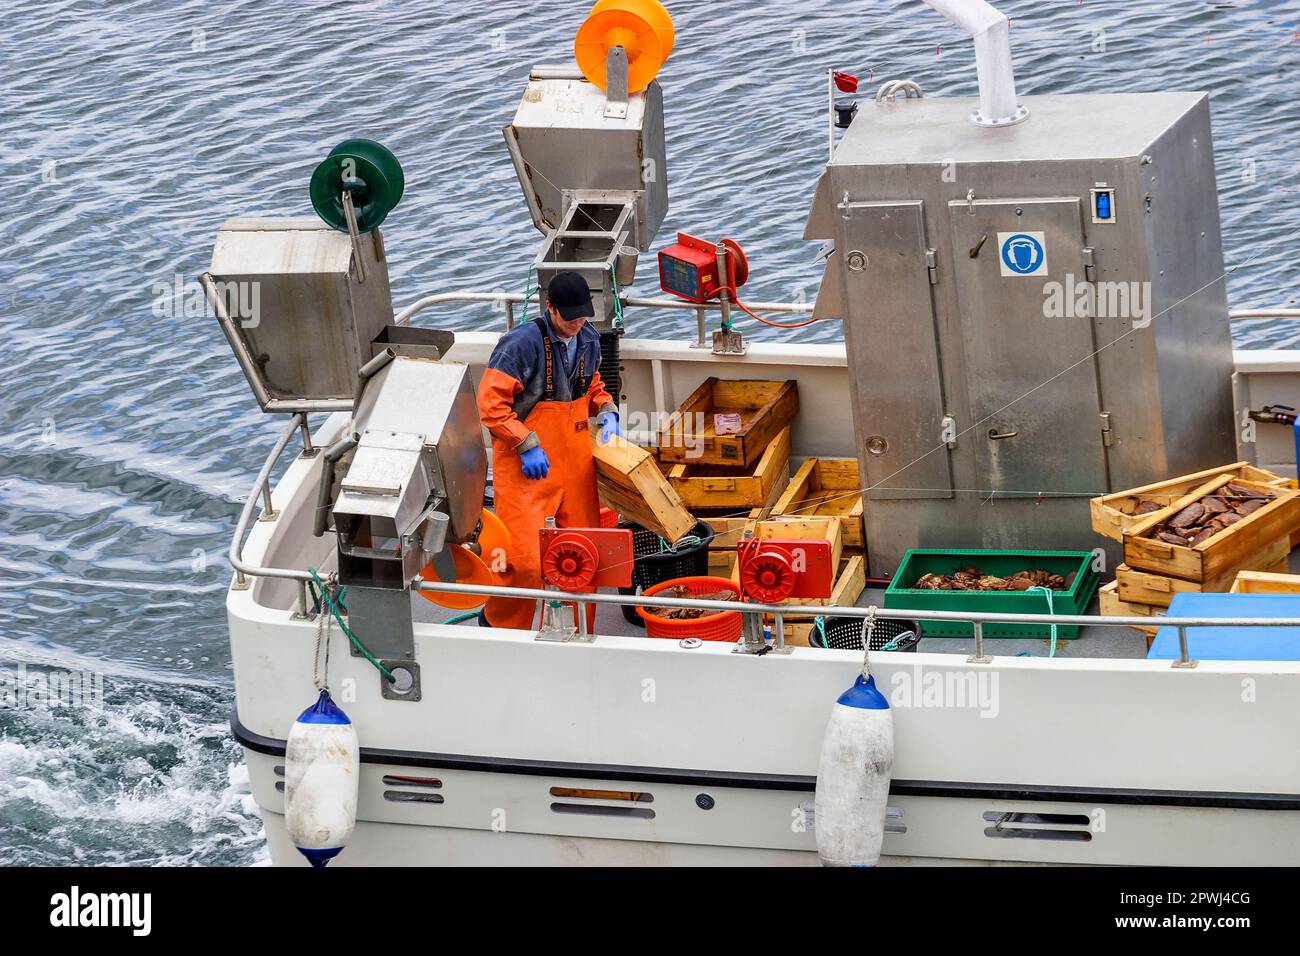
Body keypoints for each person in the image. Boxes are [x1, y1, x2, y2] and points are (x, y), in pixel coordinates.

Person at [476, 272, 622, 629]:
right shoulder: (519, 345)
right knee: (521, 560)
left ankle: (580, 631)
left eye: (582, 316)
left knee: (584, 553)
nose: (576, 324)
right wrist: (525, 443)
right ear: (549, 308)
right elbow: (491, 406)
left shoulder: (588, 338)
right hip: (527, 468)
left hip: (574, 464)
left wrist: (606, 410)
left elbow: (593, 387)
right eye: (568, 317)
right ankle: (501, 628)